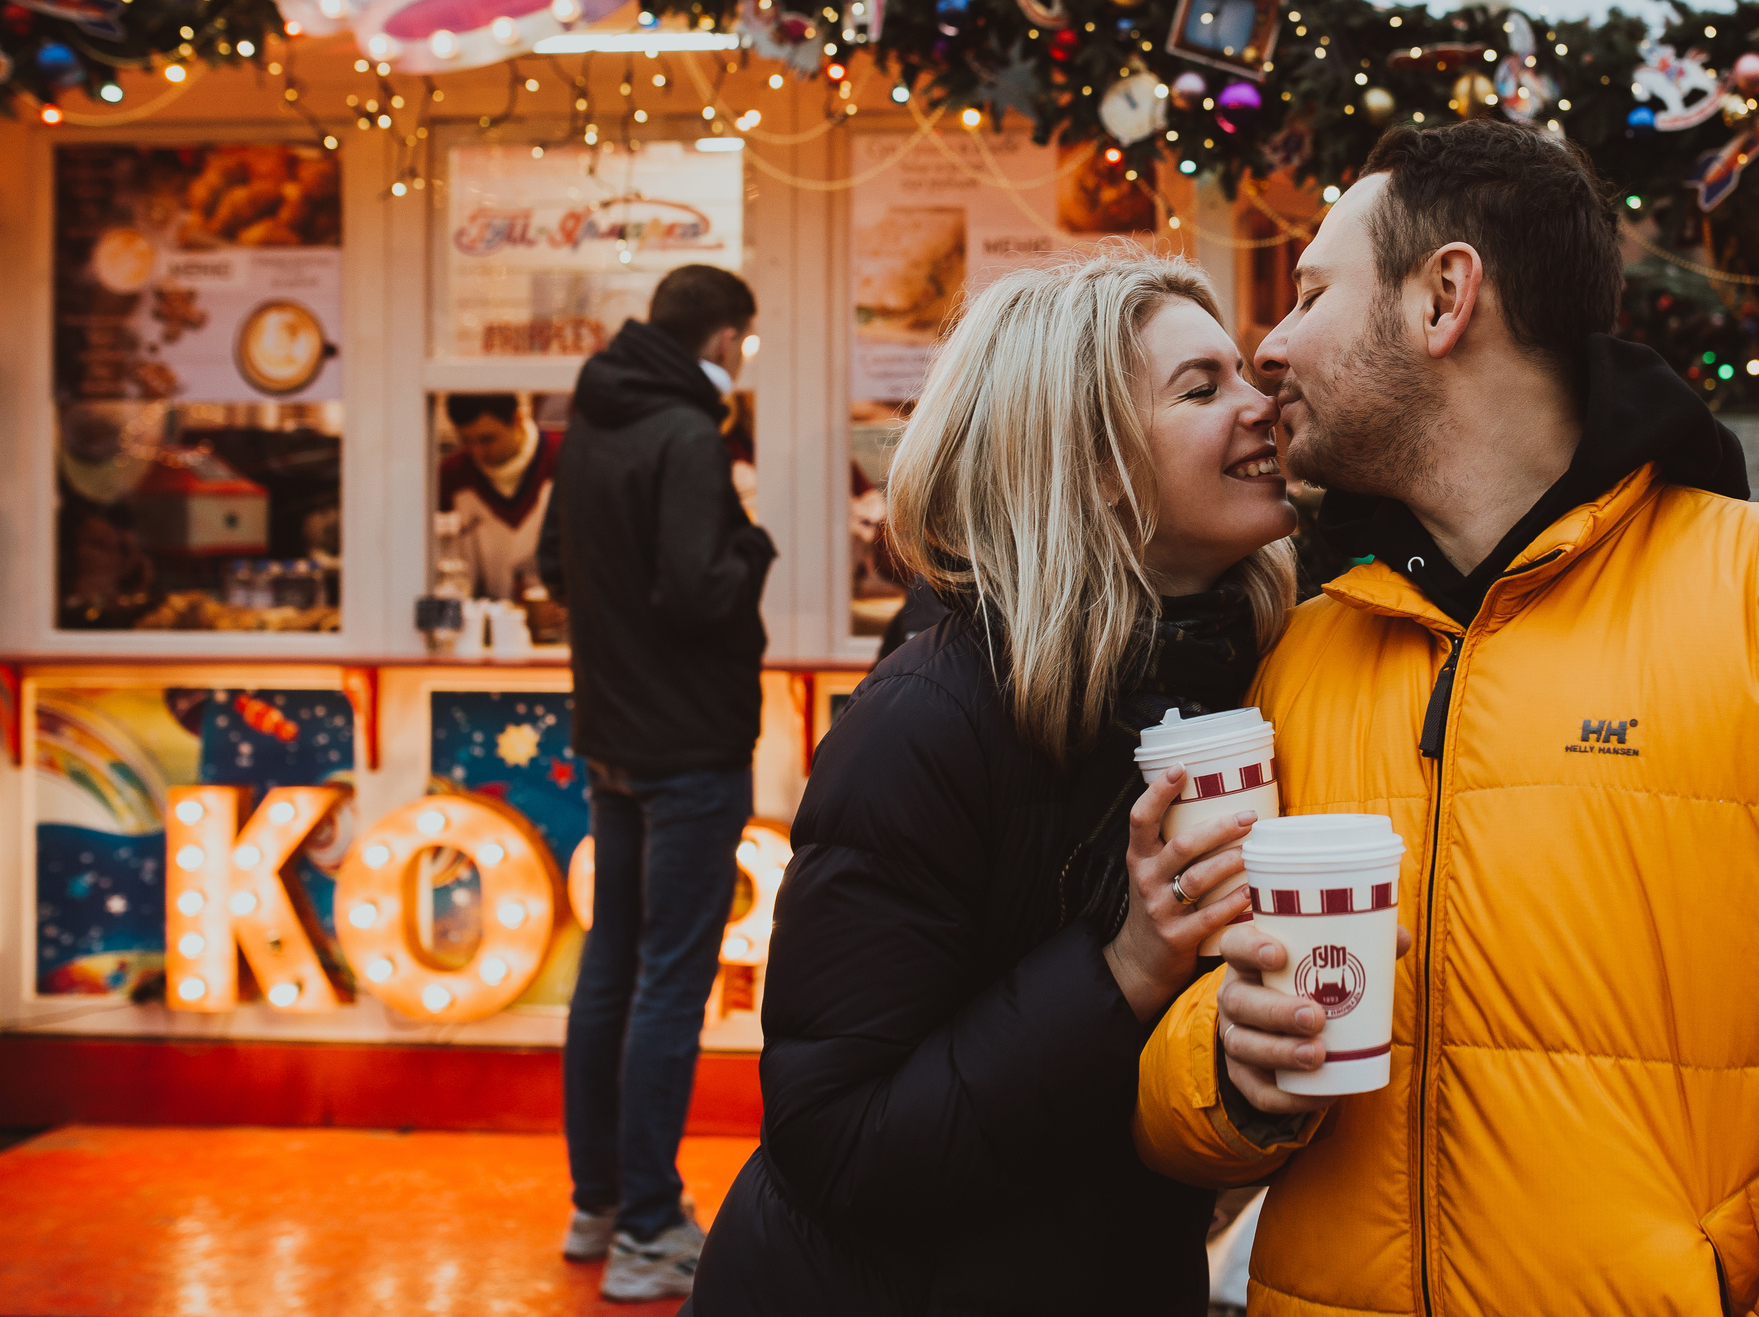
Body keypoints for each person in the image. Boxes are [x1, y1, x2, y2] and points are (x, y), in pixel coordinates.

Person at [1133, 119, 1759, 1316]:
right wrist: (1226, 1075)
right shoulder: (1301, 653)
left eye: (1307, 295)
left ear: (1444, 297)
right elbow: (1191, 1052)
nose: (1270, 347)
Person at [690, 253, 1300, 1315]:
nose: (1265, 408)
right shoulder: (925, 721)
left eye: (1244, 373)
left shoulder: (1236, 681)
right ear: (1090, 461)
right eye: (1203, 390)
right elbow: (838, 1145)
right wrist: (1120, 972)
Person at [541, 266, 778, 1303]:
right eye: (744, 343)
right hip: (689, 747)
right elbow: (698, 589)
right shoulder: (686, 434)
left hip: (611, 738)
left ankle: (598, 1201)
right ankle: (646, 1230)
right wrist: (755, 545)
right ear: (722, 336)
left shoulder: (594, 421)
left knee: (610, 970)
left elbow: (553, 562)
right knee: (669, 985)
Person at [437, 393, 559, 600]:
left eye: (487, 439)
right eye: (466, 441)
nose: (477, 452)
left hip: (555, 616)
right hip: (482, 620)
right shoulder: (451, 476)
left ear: (517, 420)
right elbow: (438, 574)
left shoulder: (561, 458)